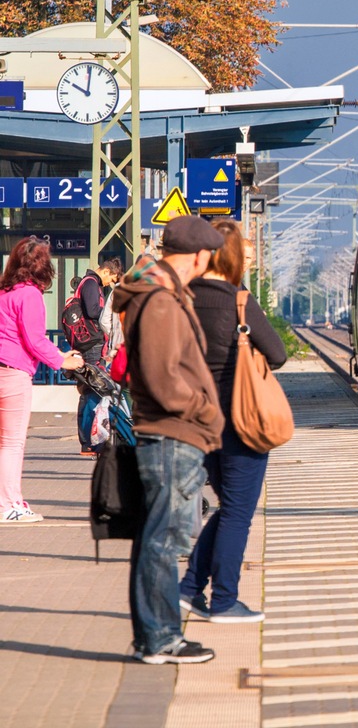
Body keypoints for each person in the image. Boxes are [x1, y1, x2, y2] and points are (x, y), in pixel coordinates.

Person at [111, 216, 225, 664]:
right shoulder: (159, 301)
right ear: (197, 256)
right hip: (172, 433)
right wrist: (204, 408)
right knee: (164, 540)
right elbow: (161, 377)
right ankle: (159, 639)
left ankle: (156, 636)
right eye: (206, 257)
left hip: (171, 432)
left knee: (157, 537)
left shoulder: (160, 294)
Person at [179, 220, 286, 624]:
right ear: (234, 258)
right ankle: (224, 600)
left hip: (199, 423)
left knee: (228, 509)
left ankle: (189, 589)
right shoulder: (238, 300)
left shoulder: (183, 299)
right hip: (241, 421)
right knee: (238, 513)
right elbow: (276, 354)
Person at [0, 237, 85, 523]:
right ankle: (9, 504)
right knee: (12, 444)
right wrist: (63, 360)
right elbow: (35, 340)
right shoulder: (30, 294)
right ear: (42, 267)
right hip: (13, 373)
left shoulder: (4, 292)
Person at [75, 257, 123, 455]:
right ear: (105, 271)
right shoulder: (92, 284)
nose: (110, 282)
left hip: (91, 342)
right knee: (94, 391)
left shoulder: (90, 283)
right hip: (92, 343)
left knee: (90, 390)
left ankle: (89, 441)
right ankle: (89, 441)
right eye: (111, 278)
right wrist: (112, 314)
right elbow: (94, 311)